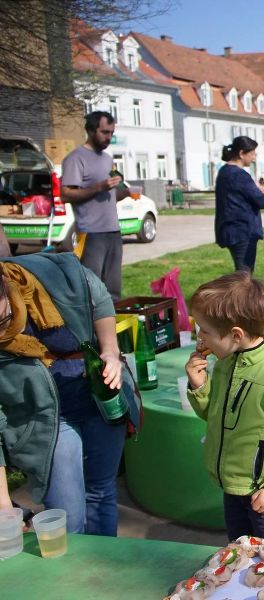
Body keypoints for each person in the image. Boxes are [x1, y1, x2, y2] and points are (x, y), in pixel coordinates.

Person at [0, 252, 140, 535]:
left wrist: (110, 352)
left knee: (101, 493)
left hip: (100, 400)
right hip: (45, 420)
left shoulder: (43, 276)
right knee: (67, 517)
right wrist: (3, 502)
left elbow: (97, 295)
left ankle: (104, 572)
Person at [185, 272, 264, 542]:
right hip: (233, 489)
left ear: (236, 334)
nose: (200, 337)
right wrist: (200, 388)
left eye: (205, 330)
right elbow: (215, 416)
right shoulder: (224, 365)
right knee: (239, 560)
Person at [61, 111, 132, 300]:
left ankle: (114, 326)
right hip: (91, 233)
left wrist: (124, 194)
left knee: (114, 289)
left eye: (111, 133)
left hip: (113, 231)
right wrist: (99, 186)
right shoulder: (76, 158)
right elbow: (66, 194)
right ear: (91, 130)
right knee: (92, 290)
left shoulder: (108, 159)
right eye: (104, 132)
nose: (109, 137)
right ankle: (91, 328)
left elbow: (107, 195)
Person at [215, 136, 264, 273]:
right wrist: (261, 191)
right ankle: (240, 295)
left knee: (241, 272)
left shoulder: (223, 172)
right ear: (241, 153)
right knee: (244, 275)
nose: (254, 158)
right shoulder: (240, 175)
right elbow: (261, 202)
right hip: (243, 231)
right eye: (252, 154)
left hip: (230, 230)